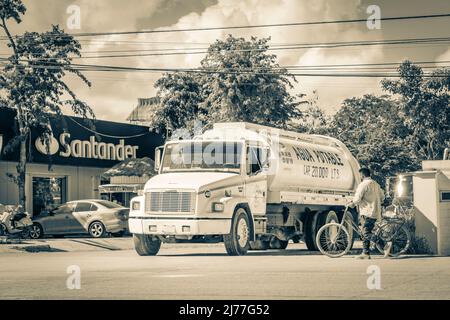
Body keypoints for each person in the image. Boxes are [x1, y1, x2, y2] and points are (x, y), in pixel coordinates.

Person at [348, 168, 391, 259]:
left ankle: (384, 245)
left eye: (360, 176)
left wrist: (352, 203)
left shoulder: (363, 185)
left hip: (367, 212)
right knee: (364, 231)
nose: (360, 177)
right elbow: (382, 197)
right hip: (375, 212)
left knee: (365, 233)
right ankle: (365, 253)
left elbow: (357, 198)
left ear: (362, 175)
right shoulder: (376, 184)